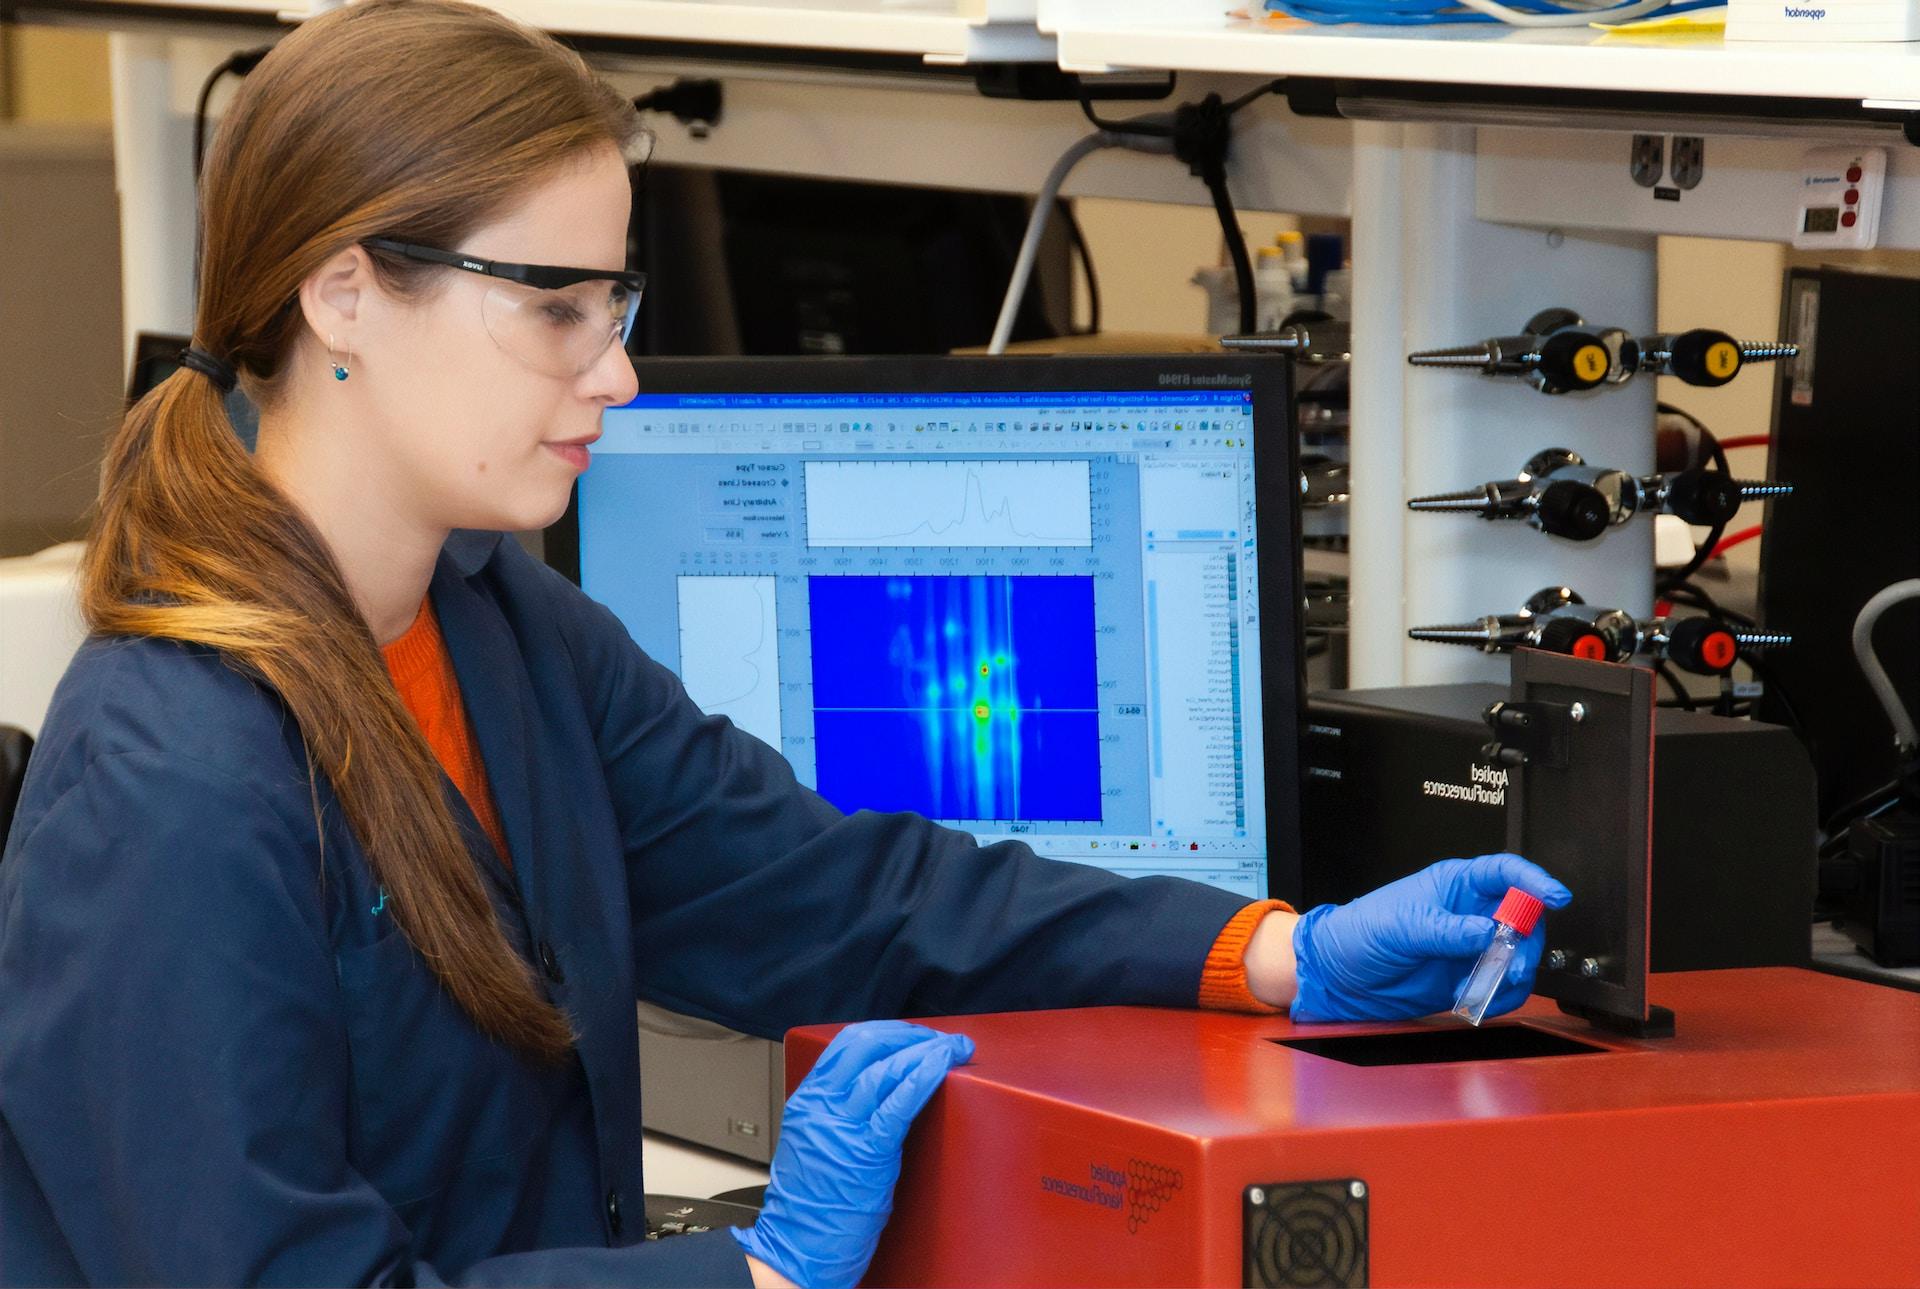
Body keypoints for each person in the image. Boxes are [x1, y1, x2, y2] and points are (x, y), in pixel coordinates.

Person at [0, 2, 1571, 1285]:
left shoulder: (508, 635)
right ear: (344, 293)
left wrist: (1282, 951)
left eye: (619, 303)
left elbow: (848, 896)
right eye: (558, 308)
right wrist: (750, 1275)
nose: (616, 374)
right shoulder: (170, 769)